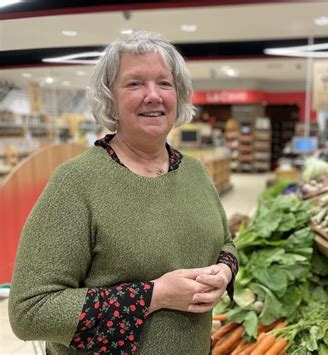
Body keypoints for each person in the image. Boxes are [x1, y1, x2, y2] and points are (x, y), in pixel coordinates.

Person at [8, 31, 238, 354]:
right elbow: (30, 311)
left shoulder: (196, 173)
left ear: (179, 95)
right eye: (134, 84)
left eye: (164, 83)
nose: (153, 95)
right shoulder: (75, 183)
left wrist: (225, 271)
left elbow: (225, 243)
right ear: (110, 98)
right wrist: (154, 295)